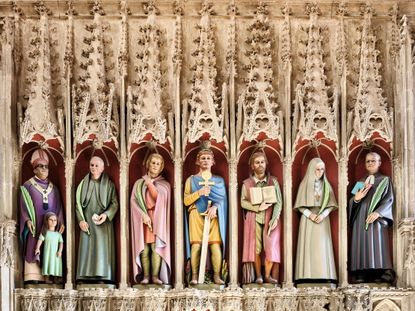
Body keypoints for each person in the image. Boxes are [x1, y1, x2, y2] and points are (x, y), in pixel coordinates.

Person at [20, 149, 65, 283]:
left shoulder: (54, 188)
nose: (44, 169)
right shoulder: (28, 185)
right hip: (36, 223)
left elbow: (59, 207)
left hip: (50, 225)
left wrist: (61, 221)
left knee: (50, 248)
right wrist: (27, 219)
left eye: (46, 167)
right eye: (41, 166)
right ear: (34, 169)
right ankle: (33, 277)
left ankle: (49, 276)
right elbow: (23, 205)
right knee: (34, 245)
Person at [184, 148, 227, 285]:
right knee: (196, 246)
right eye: (203, 158)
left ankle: (216, 275)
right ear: (198, 161)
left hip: (213, 215)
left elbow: (223, 200)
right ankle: (195, 276)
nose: (206, 161)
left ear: (213, 162)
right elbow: (185, 201)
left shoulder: (218, 181)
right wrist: (199, 193)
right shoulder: (191, 180)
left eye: (208, 158)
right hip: (196, 214)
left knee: (215, 246)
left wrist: (215, 207)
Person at [349, 152, 394, 283]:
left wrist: (378, 213)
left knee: (378, 244)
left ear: (379, 163)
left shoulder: (385, 180)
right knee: (361, 244)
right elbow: (352, 201)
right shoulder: (360, 182)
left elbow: (389, 200)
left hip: (377, 219)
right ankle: (361, 273)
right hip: (360, 219)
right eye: (368, 161)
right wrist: (356, 199)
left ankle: (380, 273)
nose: (370, 163)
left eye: (373, 161)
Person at [294, 158, 338, 286]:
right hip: (308, 221)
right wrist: (310, 214)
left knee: (323, 248)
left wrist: (324, 214)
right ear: (311, 170)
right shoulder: (304, 185)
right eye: (317, 169)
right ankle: (306, 276)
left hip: (322, 220)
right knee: (308, 248)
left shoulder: (326, 185)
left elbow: (331, 204)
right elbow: (299, 205)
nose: (320, 172)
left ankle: (325, 275)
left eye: (322, 169)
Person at [241, 151, 282, 284]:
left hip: (271, 219)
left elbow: (279, 202)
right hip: (254, 219)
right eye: (257, 162)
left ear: (266, 164)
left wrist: (275, 219)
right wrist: (258, 207)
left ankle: (268, 275)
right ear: (252, 166)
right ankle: (258, 275)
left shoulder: (273, 181)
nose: (260, 165)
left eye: (262, 162)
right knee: (256, 248)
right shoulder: (247, 183)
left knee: (271, 246)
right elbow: (242, 202)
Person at [76, 156, 118, 283]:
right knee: (87, 248)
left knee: (101, 248)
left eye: (96, 165)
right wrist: (80, 220)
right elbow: (77, 204)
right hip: (87, 222)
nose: (93, 168)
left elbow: (114, 203)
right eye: (92, 165)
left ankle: (103, 276)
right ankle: (85, 276)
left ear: (103, 168)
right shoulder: (83, 184)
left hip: (103, 223)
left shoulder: (109, 185)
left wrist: (106, 215)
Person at [131, 153, 171, 285]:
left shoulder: (164, 184)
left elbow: (159, 199)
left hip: (157, 218)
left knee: (155, 248)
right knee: (144, 248)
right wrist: (142, 214)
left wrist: (150, 184)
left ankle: (155, 276)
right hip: (142, 218)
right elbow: (133, 201)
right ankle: (146, 276)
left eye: (158, 164)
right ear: (148, 164)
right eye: (153, 163)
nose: (155, 166)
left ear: (161, 167)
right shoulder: (138, 183)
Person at [34, 212, 64, 283]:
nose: (53, 222)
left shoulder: (58, 234)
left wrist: (60, 251)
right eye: (51, 220)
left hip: (56, 253)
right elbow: (40, 240)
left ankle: (56, 278)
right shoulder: (45, 232)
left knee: (56, 264)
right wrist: (37, 248)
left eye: (55, 220)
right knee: (47, 262)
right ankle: (46, 278)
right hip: (47, 252)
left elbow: (61, 243)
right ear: (47, 221)